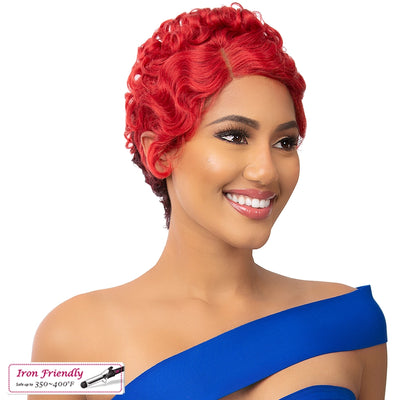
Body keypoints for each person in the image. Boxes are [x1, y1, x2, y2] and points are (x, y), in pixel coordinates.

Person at [30, 4, 387, 400]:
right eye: (234, 136)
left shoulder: (351, 320)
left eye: (284, 142)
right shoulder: (70, 338)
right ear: (159, 153)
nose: (266, 171)